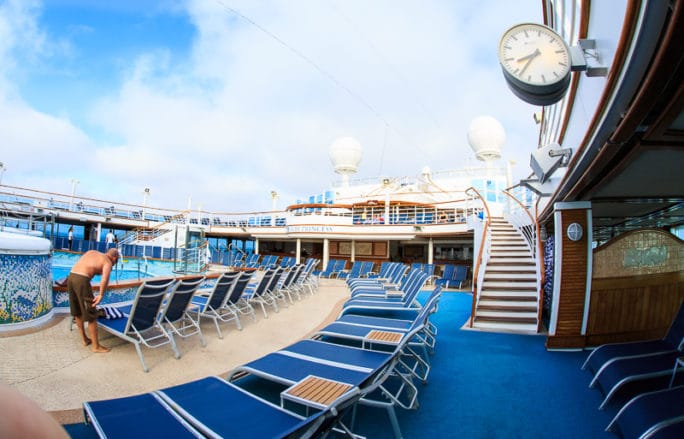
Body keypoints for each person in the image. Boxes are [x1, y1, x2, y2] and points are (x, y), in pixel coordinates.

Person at [66, 248, 120, 353]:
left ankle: (85, 339)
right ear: (114, 258)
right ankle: (96, 347)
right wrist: (100, 294)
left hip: (71, 277)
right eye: (115, 262)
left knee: (77, 311)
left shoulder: (92, 252)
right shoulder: (107, 262)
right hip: (81, 280)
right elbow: (104, 279)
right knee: (91, 313)